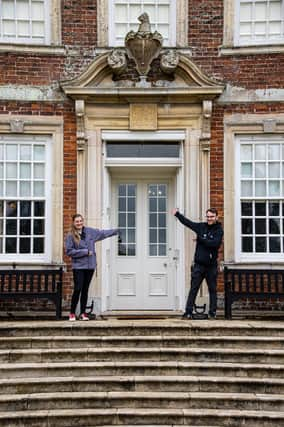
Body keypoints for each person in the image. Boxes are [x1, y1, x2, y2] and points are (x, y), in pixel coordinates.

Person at [65, 214, 119, 321]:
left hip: (90, 266)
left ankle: (83, 313)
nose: (79, 223)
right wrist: (85, 252)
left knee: (85, 290)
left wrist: (116, 231)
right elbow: (69, 251)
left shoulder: (90, 232)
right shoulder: (70, 236)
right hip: (79, 267)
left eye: (80, 221)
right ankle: (72, 313)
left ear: (83, 221)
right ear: (73, 223)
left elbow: (103, 233)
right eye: (77, 221)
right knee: (77, 289)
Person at [172, 207, 223, 319]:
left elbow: (215, 244)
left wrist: (200, 240)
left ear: (216, 217)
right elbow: (188, 223)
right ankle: (188, 312)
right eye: (208, 216)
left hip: (211, 266)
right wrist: (177, 214)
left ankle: (212, 312)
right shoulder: (201, 227)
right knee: (193, 289)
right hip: (199, 265)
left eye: (212, 217)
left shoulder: (219, 230)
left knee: (212, 289)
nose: (209, 219)